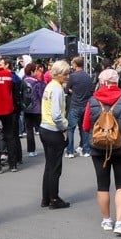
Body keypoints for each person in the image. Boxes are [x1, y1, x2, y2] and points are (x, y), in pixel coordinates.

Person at [82, 69, 121, 235]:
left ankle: (107, 220)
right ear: (117, 82)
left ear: (101, 82)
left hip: (98, 147)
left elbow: (86, 126)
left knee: (102, 184)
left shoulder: (92, 100)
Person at [40, 59, 71, 209]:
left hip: (44, 128)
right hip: (53, 129)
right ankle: (53, 198)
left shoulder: (50, 86)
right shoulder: (58, 89)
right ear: (58, 74)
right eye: (65, 74)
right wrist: (64, 127)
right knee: (55, 167)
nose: (68, 76)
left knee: (49, 165)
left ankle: (46, 197)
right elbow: (57, 114)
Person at [65, 56, 94, 158]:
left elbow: (66, 89)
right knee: (84, 128)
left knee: (71, 128)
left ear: (75, 65)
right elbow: (91, 91)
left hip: (75, 104)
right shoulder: (87, 76)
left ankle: (70, 151)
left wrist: (71, 91)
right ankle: (86, 150)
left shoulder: (73, 76)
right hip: (85, 105)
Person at [22, 62, 45, 157]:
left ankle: (31, 150)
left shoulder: (22, 82)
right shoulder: (36, 83)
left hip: (26, 108)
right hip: (37, 109)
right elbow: (41, 96)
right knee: (42, 129)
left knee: (29, 130)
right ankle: (46, 146)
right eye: (35, 70)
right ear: (32, 72)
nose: (37, 72)